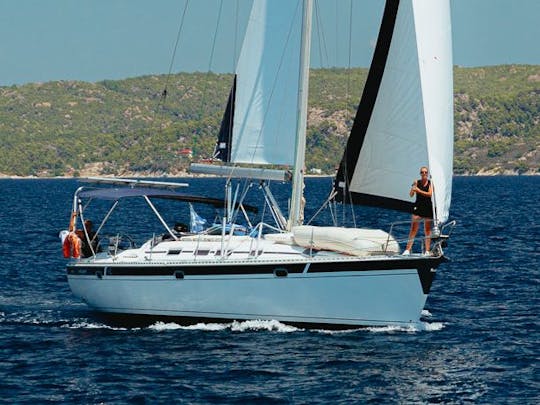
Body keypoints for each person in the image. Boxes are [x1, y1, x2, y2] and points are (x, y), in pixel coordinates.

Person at [403, 166, 433, 256]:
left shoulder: (431, 183)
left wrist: (419, 191)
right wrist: (413, 188)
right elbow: (411, 195)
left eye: (425, 172)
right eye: (422, 172)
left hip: (427, 208)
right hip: (418, 207)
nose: (424, 174)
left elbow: (430, 194)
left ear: (427, 173)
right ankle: (407, 250)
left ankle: (427, 250)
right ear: (420, 173)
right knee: (413, 229)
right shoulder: (417, 182)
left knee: (427, 230)